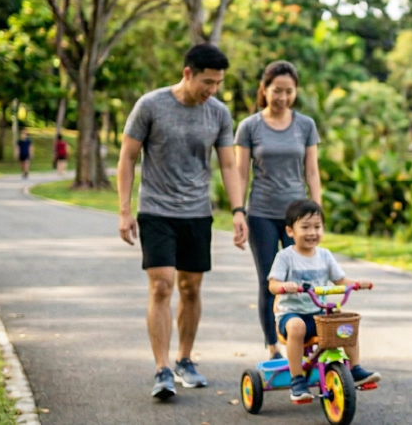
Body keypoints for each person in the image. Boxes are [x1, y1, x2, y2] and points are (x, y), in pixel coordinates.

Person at [117, 43, 249, 401]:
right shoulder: (151, 105)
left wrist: (239, 211)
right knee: (162, 286)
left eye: (219, 83)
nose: (213, 89)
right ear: (187, 73)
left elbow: (227, 164)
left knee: (191, 288)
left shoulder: (219, 114)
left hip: (197, 212)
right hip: (157, 210)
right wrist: (125, 210)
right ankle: (161, 369)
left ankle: (184, 360)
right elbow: (127, 157)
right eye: (208, 81)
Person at [235, 61, 321, 361]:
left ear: (295, 91)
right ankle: (273, 345)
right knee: (269, 281)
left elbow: (311, 171)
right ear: (264, 89)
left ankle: (301, 342)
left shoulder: (305, 125)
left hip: (296, 215)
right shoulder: (249, 126)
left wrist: (316, 211)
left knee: (304, 277)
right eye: (276, 91)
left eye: (288, 91)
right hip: (261, 213)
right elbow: (241, 173)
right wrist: (239, 212)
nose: (282, 97)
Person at [267, 200, 380, 403]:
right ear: (290, 231)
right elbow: (273, 284)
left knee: (346, 323)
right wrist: (285, 286)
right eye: (305, 227)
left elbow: (340, 280)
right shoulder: (285, 257)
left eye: (317, 227)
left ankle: (354, 369)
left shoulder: (325, 255)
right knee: (296, 326)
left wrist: (356, 283)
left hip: (318, 314)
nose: (312, 232)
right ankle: (297, 379)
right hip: (291, 315)